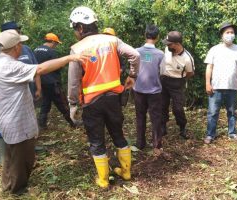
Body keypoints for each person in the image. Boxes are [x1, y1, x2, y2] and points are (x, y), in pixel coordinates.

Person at [0, 29, 85, 194]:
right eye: (21, 44)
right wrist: (69, 58)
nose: (22, 46)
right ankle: (18, 190)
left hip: (6, 120)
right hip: (17, 121)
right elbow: (39, 69)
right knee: (23, 158)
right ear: (17, 46)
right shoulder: (9, 66)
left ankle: (7, 184)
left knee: (11, 156)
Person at [68, 6, 139, 188]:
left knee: (97, 140)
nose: (75, 33)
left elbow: (74, 82)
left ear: (81, 28)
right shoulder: (112, 40)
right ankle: (126, 172)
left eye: (75, 29)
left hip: (92, 102)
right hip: (114, 98)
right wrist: (132, 76)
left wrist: (73, 104)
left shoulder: (77, 48)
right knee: (118, 134)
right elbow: (135, 55)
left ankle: (104, 180)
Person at [0, 21, 41, 165]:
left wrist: (38, 88)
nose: (18, 33)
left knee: (26, 126)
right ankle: (5, 157)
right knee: (8, 128)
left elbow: (36, 69)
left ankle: (29, 151)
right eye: (16, 31)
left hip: (26, 95)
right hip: (8, 101)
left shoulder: (26, 49)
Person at [204, 22, 237, 144]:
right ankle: (210, 134)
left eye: (232, 32)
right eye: (227, 32)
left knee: (232, 112)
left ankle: (232, 133)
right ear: (222, 35)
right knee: (212, 112)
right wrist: (207, 83)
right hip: (216, 86)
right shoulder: (214, 49)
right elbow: (209, 67)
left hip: (232, 87)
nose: (230, 35)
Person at [133, 25, 165, 156]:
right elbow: (162, 72)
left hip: (138, 90)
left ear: (145, 35)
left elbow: (132, 70)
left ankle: (140, 143)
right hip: (154, 92)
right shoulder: (160, 54)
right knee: (156, 118)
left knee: (140, 116)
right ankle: (156, 146)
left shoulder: (136, 52)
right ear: (157, 37)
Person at [34, 33, 77, 129]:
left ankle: (42, 124)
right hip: (52, 82)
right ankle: (72, 122)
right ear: (52, 42)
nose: (56, 46)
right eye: (56, 43)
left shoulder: (35, 50)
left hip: (41, 82)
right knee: (62, 103)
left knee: (45, 102)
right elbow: (57, 67)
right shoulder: (51, 51)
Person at [160, 31, 195, 139]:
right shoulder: (167, 49)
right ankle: (163, 127)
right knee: (162, 105)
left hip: (177, 82)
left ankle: (182, 127)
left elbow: (190, 73)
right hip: (164, 80)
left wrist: (181, 80)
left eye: (169, 44)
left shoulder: (187, 58)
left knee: (178, 108)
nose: (167, 45)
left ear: (177, 44)